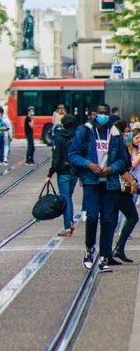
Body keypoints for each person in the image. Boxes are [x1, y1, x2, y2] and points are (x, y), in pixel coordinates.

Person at [69, 104, 129, 273]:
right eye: (100, 113)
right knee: (93, 217)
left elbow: (123, 159)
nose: (103, 116)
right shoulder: (85, 132)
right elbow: (73, 154)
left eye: (105, 113)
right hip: (91, 181)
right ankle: (89, 250)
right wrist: (88, 164)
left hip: (109, 183)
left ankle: (103, 257)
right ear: (95, 114)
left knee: (108, 220)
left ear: (109, 115)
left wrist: (112, 169)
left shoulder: (115, 134)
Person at [109, 121, 138, 264]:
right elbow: (122, 168)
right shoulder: (119, 146)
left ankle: (108, 253)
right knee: (132, 217)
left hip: (112, 188)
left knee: (112, 221)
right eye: (126, 131)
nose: (129, 134)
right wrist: (132, 182)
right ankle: (118, 248)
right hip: (120, 189)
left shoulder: (114, 144)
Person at [45, 114, 77, 237]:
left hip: (63, 173)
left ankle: (68, 226)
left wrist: (50, 174)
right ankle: (70, 222)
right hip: (74, 172)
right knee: (69, 197)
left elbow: (56, 158)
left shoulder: (59, 139)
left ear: (63, 125)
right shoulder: (77, 137)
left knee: (65, 198)